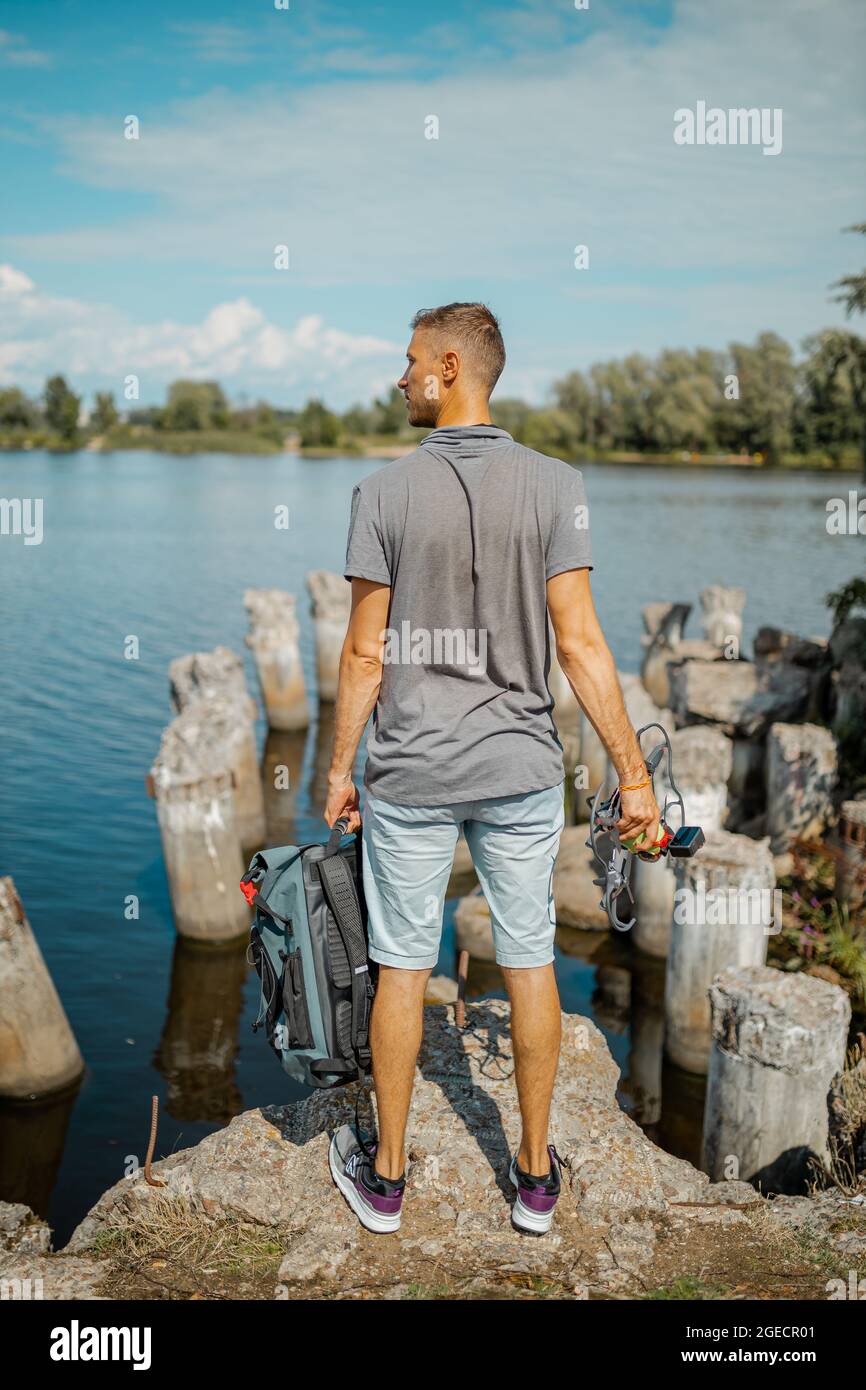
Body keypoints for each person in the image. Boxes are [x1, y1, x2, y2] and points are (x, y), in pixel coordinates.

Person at [325, 302, 660, 1236]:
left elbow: (363, 655)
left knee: (400, 966)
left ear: (448, 365)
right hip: (519, 771)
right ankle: (535, 1180)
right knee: (530, 961)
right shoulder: (557, 485)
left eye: (407, 363)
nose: (398, 379)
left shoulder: (381, 495)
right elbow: (582, 643)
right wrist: (632, 775)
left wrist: (337, 770)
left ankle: (386, 1183)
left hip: (411, 774)